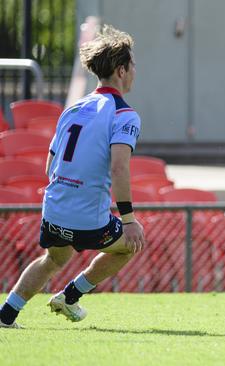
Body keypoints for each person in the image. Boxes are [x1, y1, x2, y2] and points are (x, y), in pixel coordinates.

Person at [0, 25, 145, 329]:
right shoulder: (124, 114)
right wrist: (129, 220)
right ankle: (70, 296)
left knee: (53, 259)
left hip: (55, 207)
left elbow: (50, 166)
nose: (134, 71)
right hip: (89, 217)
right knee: (129, 244)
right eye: (132, 65)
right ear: (121, 70)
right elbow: (119, 168)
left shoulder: (73, 109)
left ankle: (6, 315)